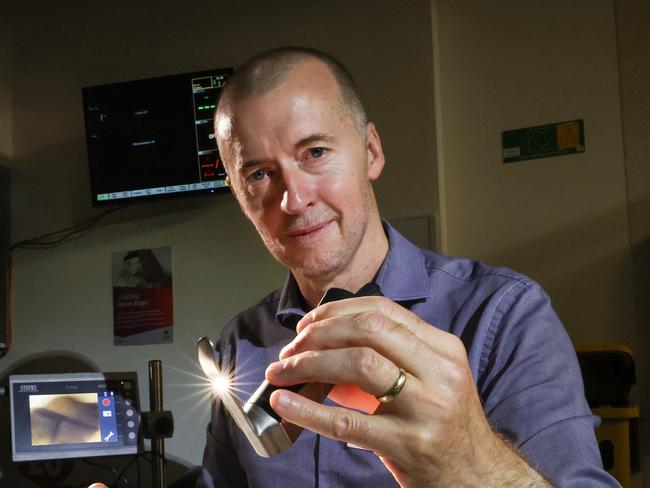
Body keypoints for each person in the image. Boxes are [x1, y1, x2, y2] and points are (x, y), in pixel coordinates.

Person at [92, 47, 617, 488]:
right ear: (237, 192)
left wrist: (465, 460)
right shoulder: (240, 344)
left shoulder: (504, 315)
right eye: (258, 174)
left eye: (315, 152)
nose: (293, 199)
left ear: (370, 151)